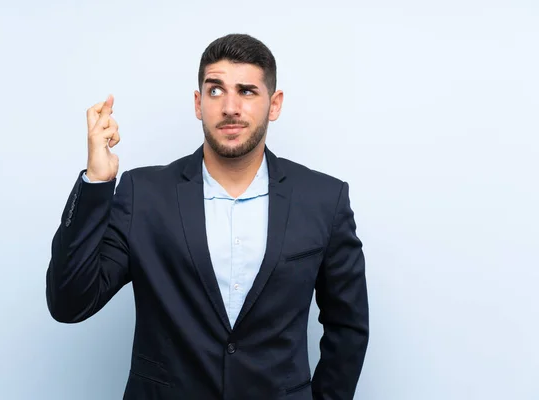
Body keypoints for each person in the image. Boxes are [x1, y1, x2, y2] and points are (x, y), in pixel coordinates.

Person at [46, 33, 369, 400]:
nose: (230, 107)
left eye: (247, 91)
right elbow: (69, 302)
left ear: (274, 104)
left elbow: (348, 327)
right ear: (198, 103)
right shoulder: (144, 195)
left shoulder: (324, 199)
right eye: (216, 91)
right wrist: (96, 183)